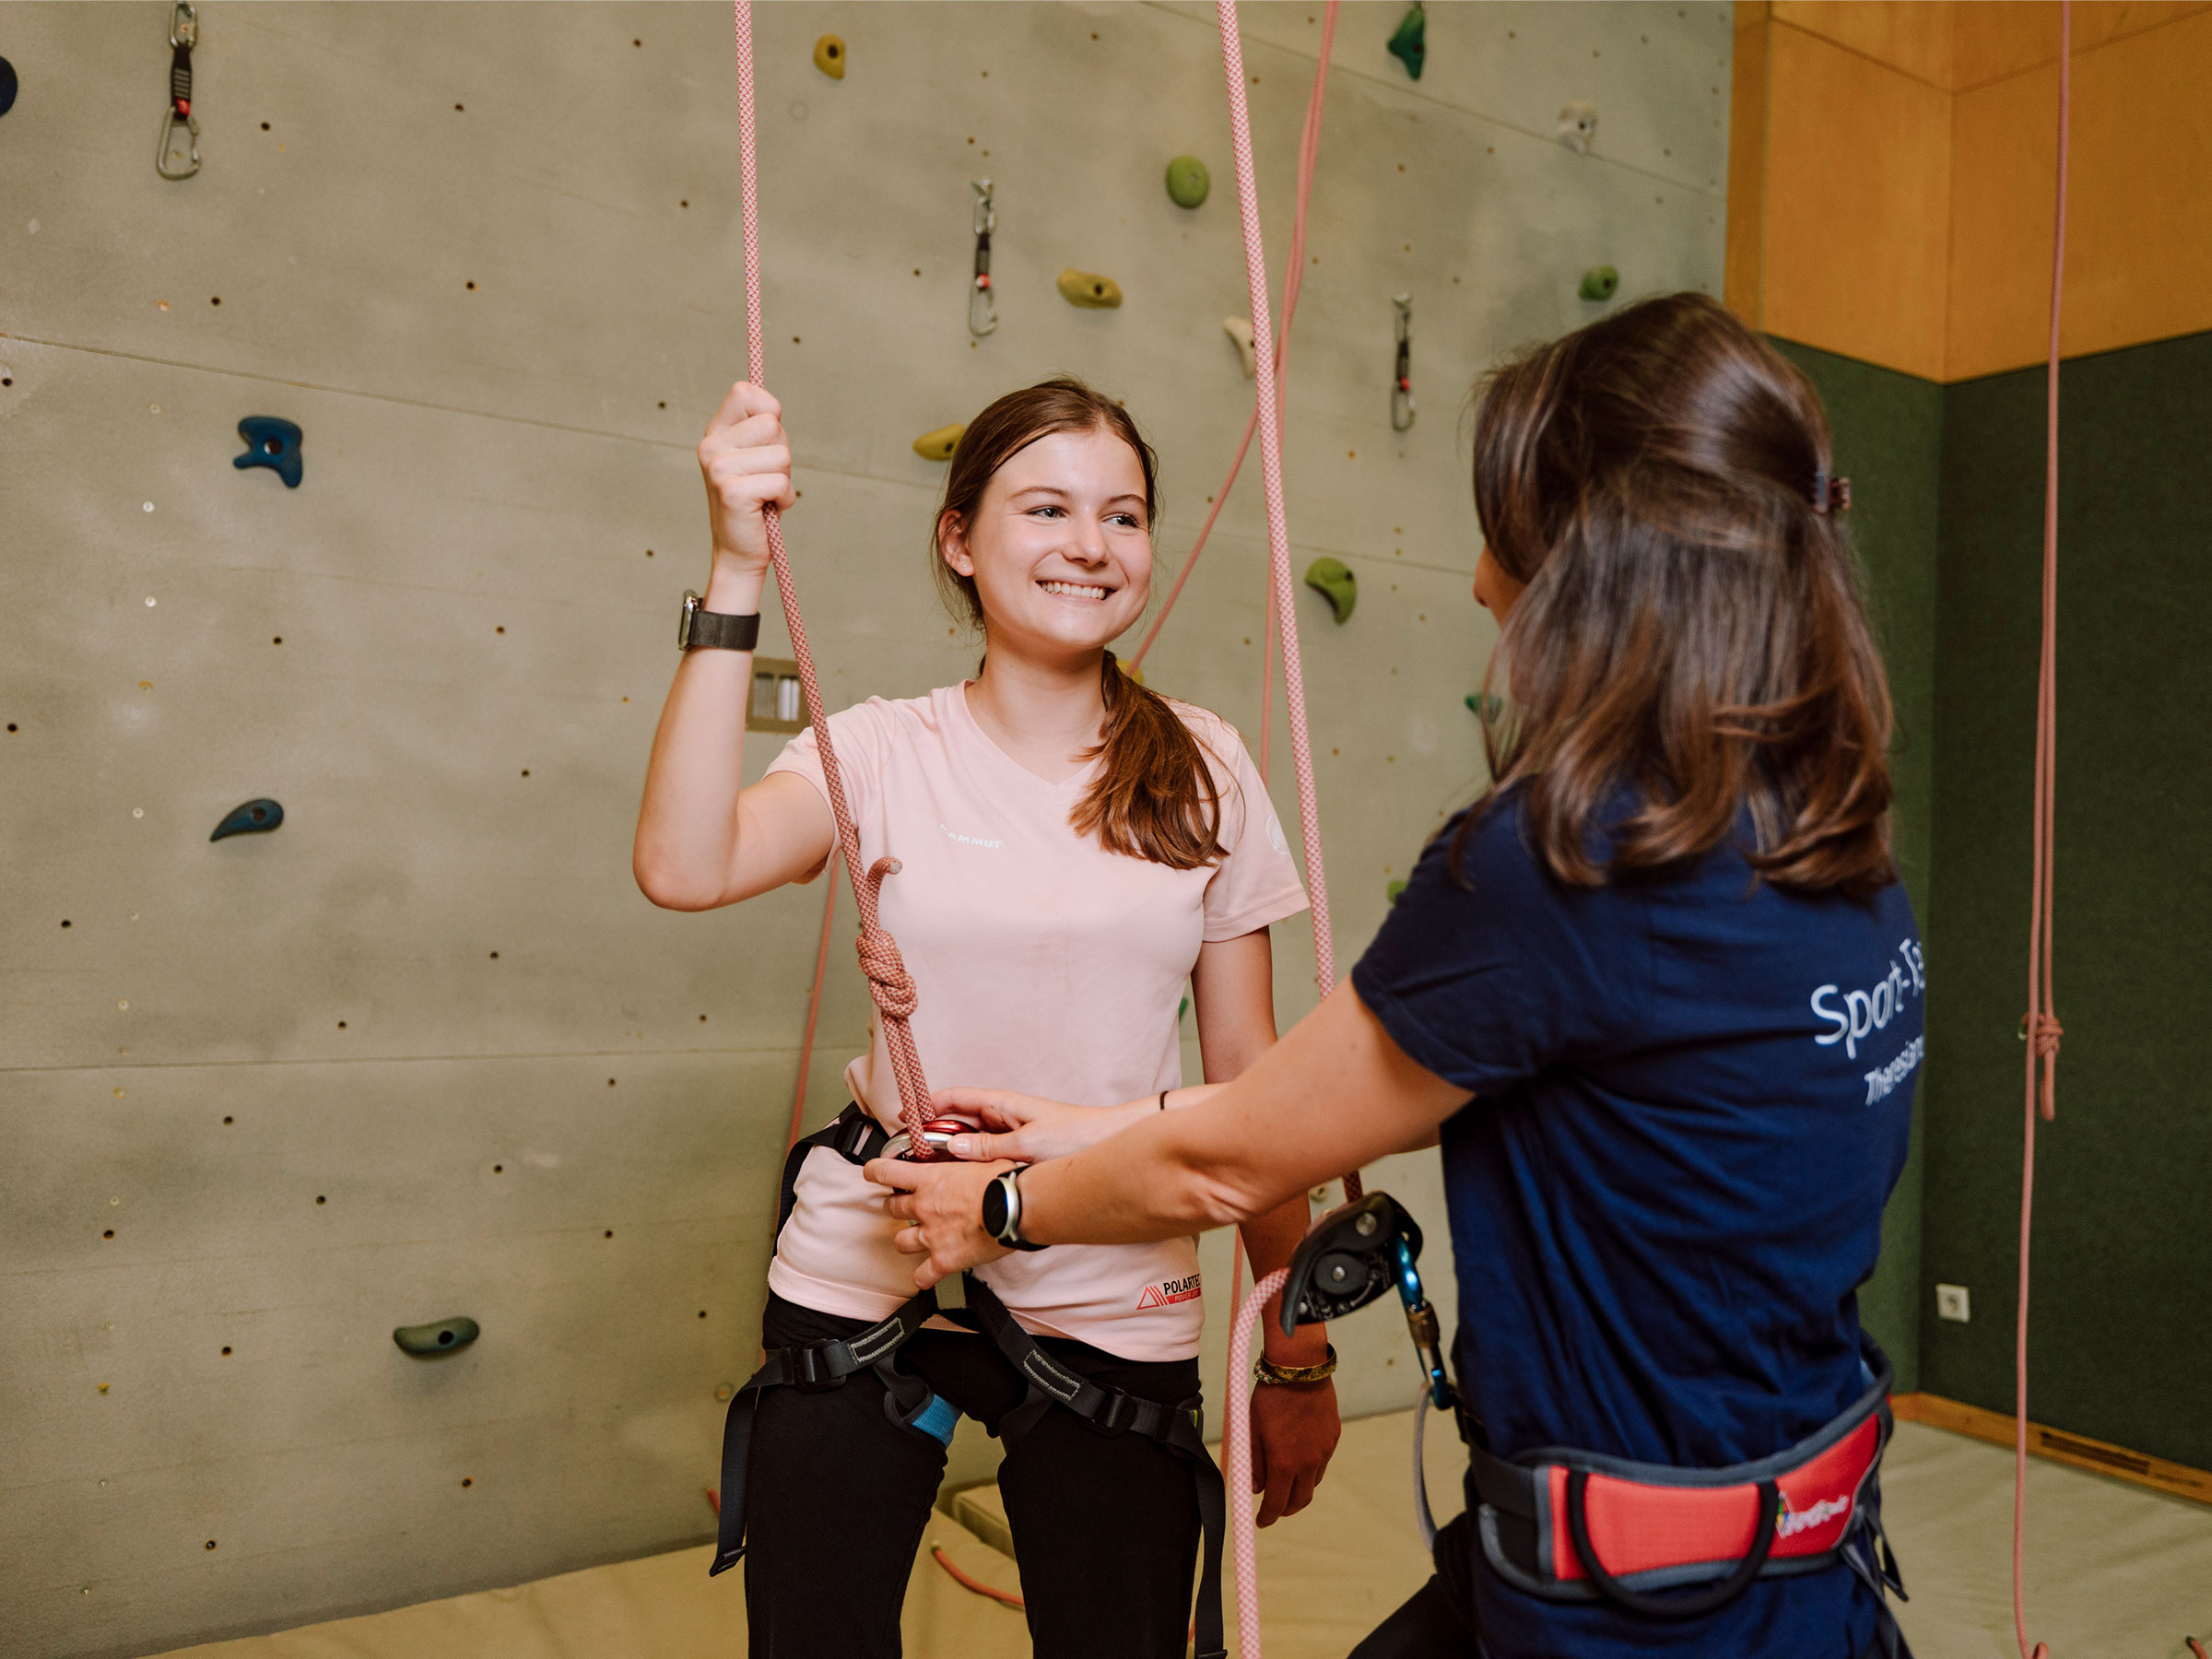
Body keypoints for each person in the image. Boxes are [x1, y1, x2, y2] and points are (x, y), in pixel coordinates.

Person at [871, 295, 1924, 1659]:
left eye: (1502, 533)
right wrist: (1080, 1125)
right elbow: (1353, 1103)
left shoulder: (1562, 856)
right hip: (1787, 1549)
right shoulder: (1829, 822)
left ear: (1582, 564)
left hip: (1644, 1613)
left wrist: (1004, 1206)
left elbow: (1230, 1164)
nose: (1481, 578)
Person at [631, 376, 1342, 1659]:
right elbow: (684, 866)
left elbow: (1252, 1082)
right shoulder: (882, 753)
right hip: (872, 1259)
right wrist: (736, 566)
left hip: (1114, 1266)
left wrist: (1292, 1355)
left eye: (1122, 516)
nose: (1090, 543)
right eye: (1048, 507)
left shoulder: (1201, 766)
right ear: (959, 538)